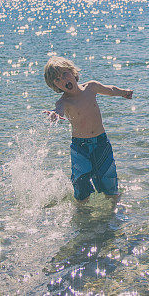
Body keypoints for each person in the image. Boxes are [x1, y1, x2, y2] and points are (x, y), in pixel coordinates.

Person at [43, 56, 132, 205]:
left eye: (65, 74)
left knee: (108, 180)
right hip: (80, 148)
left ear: (72, 72)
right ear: (55, 86)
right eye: (57, 80)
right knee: (81, 184)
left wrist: (123, 92)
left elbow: (109, 90)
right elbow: (59, 109)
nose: (63, 80)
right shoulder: (64, 101)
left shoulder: (91, 88)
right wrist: (55, 114)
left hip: (101, 142)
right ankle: (82, 218)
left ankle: (114, 213)